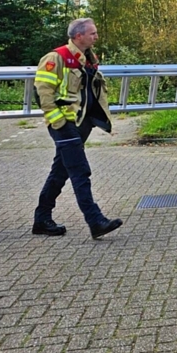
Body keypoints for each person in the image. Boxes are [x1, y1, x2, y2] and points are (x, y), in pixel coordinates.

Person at [32, 18, 123, 239]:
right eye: (92, 33)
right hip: (63, 124)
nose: (96, 37)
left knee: (60, 172)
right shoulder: (56, 58)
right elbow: (43, 92)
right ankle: (95, 221)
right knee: (80, 171)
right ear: (78, 36)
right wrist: (58, 122)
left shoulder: (88, 58)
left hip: (80, 124)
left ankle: (41, 220)